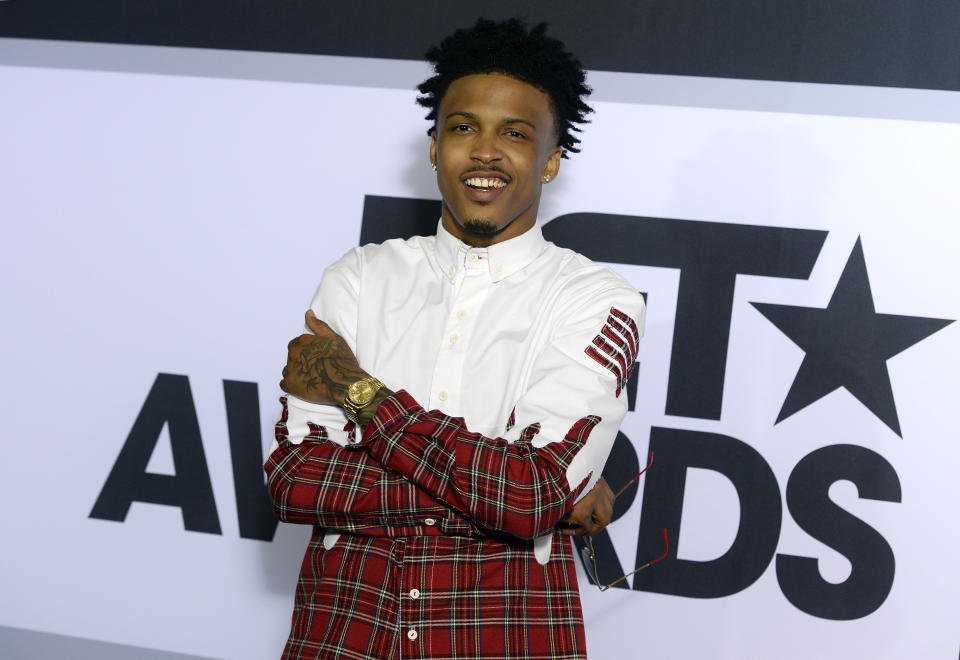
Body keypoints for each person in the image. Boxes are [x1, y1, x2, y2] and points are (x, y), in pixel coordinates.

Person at [266, 17, 645, 660]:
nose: (486, 151)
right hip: (344, 633)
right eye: (463, 127)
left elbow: (529, 494)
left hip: (506, 637)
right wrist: (521, 496)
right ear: (435, 147)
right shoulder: (359, 277)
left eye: (516, 134)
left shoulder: (596, 299)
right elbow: (296, 481)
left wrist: (360, 393)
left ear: (551, 161)